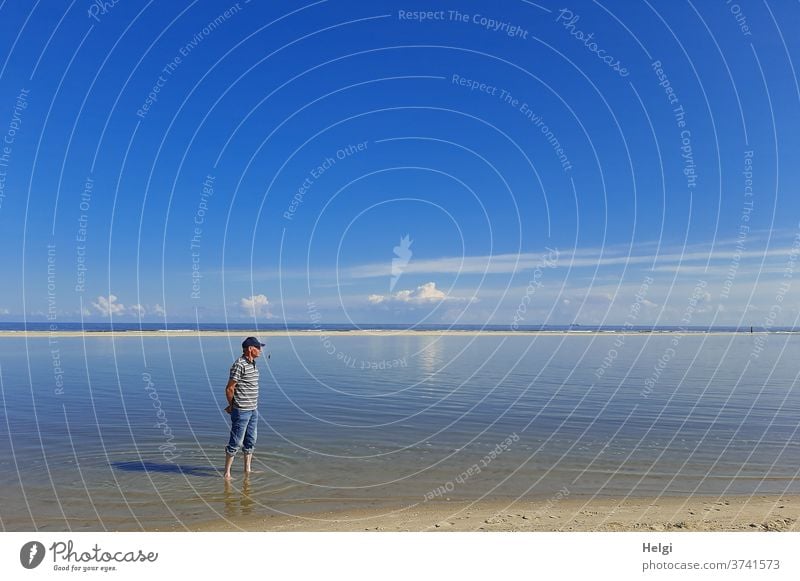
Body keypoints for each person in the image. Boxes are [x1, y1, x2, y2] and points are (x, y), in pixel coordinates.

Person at [222, 336, 265, 480]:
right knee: (236, 442)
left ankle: (248, 469)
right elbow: (229, 388)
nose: (261, 350)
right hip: (241, 410)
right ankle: (227, 473)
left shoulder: (252, 364)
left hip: (253, 409)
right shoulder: (239, 364)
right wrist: (232, 406)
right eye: (258, 348)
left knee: (251, 440)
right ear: (250, 349)